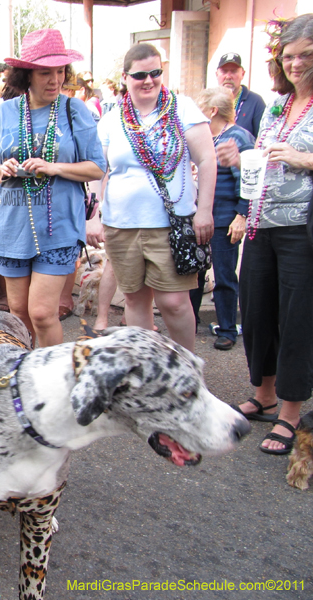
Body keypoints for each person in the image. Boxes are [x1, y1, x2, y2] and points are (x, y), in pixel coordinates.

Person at [217, 15, 313, 454]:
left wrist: (303, 158)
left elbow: (293, 158)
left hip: (301, 228)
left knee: (295, 319)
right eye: (289, 56)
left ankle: (291, 412)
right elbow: (266, 158)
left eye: (305, 55)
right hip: (259, 223)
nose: (295, 64)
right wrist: (241, 157)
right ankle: (265, 392)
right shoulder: (278, 105)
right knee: (255, 312)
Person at [0, 28, 106, 348]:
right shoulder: (4, 113)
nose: (56, 80)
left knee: (43, 313)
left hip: (58, 228)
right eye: (46, 73)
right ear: (26, 75)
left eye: (60, 71)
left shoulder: (76, 112)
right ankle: (28, 381)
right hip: (12, 228)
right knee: (18, 312)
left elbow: (97, 166)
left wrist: (53, 167)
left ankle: (52, 384)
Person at [88, 43, 215, 352]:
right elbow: (97, 172)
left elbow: (208, 160)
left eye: (155, 73)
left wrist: (205, 211)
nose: (149, 80)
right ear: (125, 77)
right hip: (122, 225)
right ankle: (150, 371)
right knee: (134, 299)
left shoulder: (182, 109)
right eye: (140, 75)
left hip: (169, 225)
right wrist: (93, 217)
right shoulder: (111, 119)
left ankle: (188, 373)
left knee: (173, 302)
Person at [190, 87, 254, 350]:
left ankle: (228, 329)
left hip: (225, 218)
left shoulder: (237, 138)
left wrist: (241, 215)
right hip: (201, 217)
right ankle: (189, 324)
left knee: (225, 276)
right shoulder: (206, 138)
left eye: (200, 108)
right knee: (194, 274)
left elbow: (248, 180)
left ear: (212, 111)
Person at [215, 52, 267, 137]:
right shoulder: (208, 101)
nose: (228, 76)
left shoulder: (255, 102)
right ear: (216, 74)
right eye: (224, 71)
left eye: (234, 71)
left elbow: (262, 139)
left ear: (242, 74)